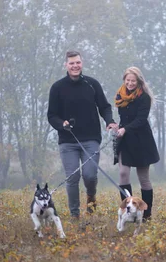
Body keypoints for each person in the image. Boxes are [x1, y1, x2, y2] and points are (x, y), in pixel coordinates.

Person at [47, 50, 117, 219]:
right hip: (67, 141)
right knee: (72, 177)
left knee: (90, 175)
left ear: (82, 63)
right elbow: (52, 115)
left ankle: (91, 199)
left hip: (91, 139)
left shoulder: (92, 84)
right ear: (66, 65)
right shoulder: (57, 87)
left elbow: (104, 107)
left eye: (77, 62)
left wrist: (109, 121)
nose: (75, 66)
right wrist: (61, 124)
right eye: (71, 63)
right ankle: (75, 215)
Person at [114, 66, 160, 220]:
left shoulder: (144, 97)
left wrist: (125, 129)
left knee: (143, 178)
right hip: (125, 141)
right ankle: (126, 212)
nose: (130, 83)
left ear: (139, 81)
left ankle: (146, 214)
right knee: (123, 173)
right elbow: (123, 118)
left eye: (133, 81)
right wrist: (117, 127)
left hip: (141, 141)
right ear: (124, 80)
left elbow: (141, 120)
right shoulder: (120, 96)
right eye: (128, 80)